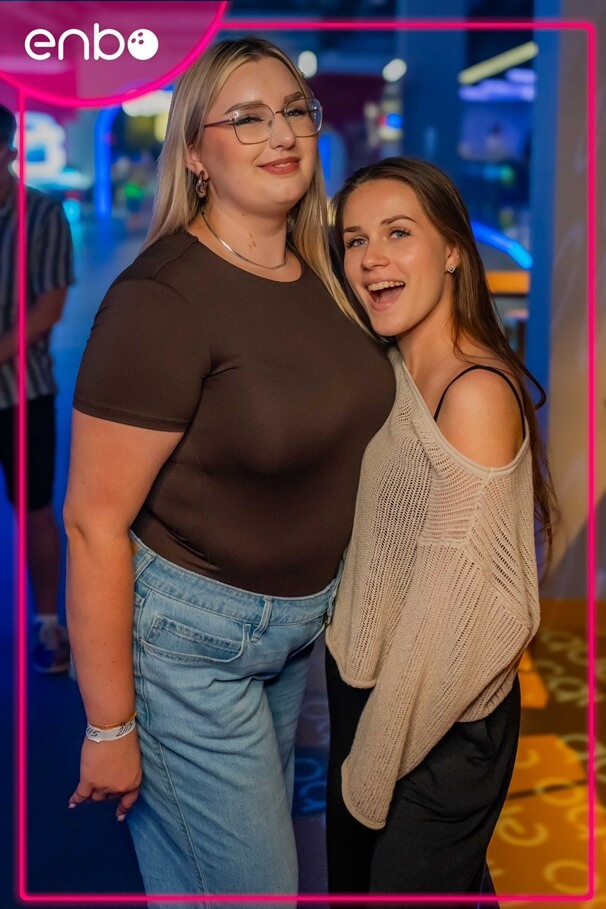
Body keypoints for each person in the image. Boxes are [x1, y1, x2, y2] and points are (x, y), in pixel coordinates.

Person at [63, 37, 395, 904]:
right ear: (195, 155)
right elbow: (93, 523)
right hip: (188, 644)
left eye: (292, 111)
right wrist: (110, 724)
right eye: (246, 118)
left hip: (293, 638)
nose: (280, 133)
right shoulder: (162, 300)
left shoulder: (326, 271)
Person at [325, 157, 556, 903]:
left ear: (454, 249)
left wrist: (370, 763)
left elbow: (448, 618)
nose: (372, 258)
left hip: (438, 722)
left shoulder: (474, 393)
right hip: (372, 696)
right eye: (355, 240)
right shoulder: (390, 368)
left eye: (399, 232)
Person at [0, 104, 74, 673]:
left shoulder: (41, 215)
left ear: (8, 152)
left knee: (36, 510)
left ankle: (49, 623)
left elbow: (48, 309)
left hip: (22, 392)